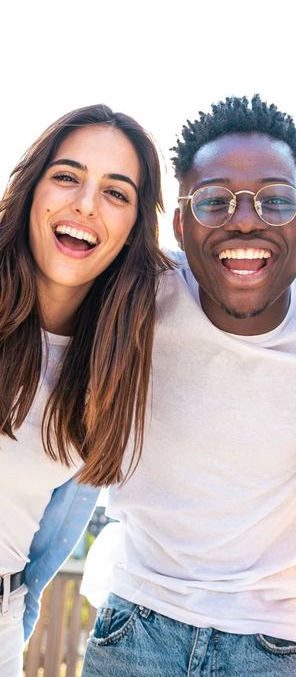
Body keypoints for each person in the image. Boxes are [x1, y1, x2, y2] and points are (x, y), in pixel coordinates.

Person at [81, 96, 296, 677]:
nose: (245, 219)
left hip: (280, 643)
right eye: (214, 201)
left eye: (277, 199)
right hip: (137, 623)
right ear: (179, 223)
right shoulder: (131, 301)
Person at [0, 105, 169, 677]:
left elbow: (41, 550)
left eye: (116, 193)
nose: (86, 205)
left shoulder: (110, 367)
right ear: (32, 189)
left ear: (132, 228)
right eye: (67, 177)